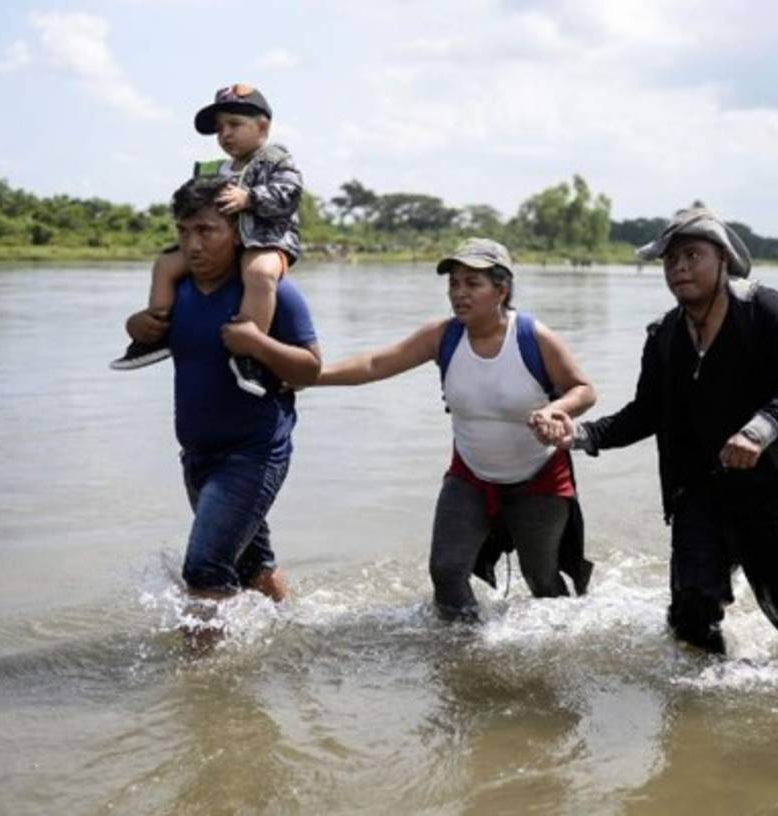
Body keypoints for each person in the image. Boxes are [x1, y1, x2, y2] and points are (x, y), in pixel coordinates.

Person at [549, 207, 778, 659]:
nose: (678, 268)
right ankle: (700, 710)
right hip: (701, 491)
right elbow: (645, 413)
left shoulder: (763, 309)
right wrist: (578, 436)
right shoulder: (664, 335)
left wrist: (758, 432)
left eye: (691, 255)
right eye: (670, 260)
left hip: (776, 489)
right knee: (691, 617)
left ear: (722, 259)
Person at [313, 238, 596, 622]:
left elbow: (584, 389)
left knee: (543, 581)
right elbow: (375, 364)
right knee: (446, 572)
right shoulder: (443, 337)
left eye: (472, 283)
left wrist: (554, 410)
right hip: (470, 477)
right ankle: (464, 655)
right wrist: (310, 376)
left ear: (502, 289)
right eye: (453, 284)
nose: (459, 293)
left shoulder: (532, 337)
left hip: (539, 478)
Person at [119, 176, 321, 608]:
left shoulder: (272, 293)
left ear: (238, 232)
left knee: (204, 569)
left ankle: (199, 676)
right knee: (253, 569)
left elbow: (310, 369)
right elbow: (151, 332)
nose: (192, 244)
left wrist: (258, 344)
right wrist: (136, 325)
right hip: (197, 457)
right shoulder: (179, 293)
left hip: (254, 453)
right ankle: (295, 637)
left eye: (206, 231)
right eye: (183, 231)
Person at [112, 84, 304, 398]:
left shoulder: (276, 161)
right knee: (166, 264)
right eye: (219, 129)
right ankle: (156, 331)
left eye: (234, 125)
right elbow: (192, 205)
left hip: (266, 240)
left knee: (259, 273)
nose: (225, 134)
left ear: (263, 126)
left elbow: (290, 194)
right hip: (220, 244)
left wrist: (251, 197)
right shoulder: (215, 170)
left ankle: (249, 352)